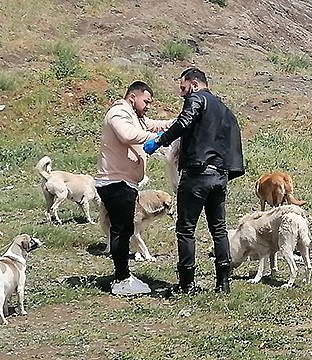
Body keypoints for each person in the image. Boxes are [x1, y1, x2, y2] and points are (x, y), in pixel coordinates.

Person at [143, 68, 244, 294]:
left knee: (186, 230)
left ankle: (186, 284)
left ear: (195, 84)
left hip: (197, 174)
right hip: (220, 176)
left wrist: (160, 141)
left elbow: (185, 121)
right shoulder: (225, 109)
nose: (182, 94)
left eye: (183, 88)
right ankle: (223, 283)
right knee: (218, 229)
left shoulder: (197, 98)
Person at [96, 81, 172, 296]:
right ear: (132, 97)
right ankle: (121, 278)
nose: (148, 105)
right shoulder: (119, 113)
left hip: (124, 181)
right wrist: (157, 139)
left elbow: (152, 124)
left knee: (125, 228)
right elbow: (127, 135)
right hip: (115, 181)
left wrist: (174, 124)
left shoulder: (134, 116)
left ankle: (123, 275)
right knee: (121, 229)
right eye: (146, 101)